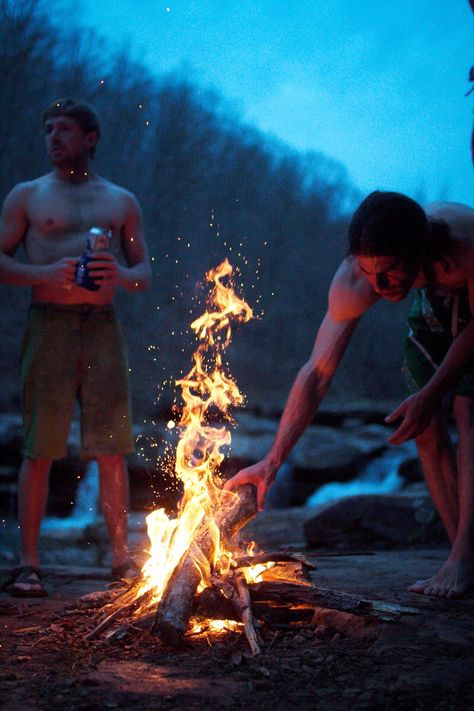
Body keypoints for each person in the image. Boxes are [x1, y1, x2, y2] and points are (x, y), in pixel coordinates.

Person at [225, 192, 474, 599]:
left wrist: (432, 391)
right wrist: (273, 460)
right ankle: (460, 555)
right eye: (369, 272)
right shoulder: (357, 280)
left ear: (417, 253)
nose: (379, 286)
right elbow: (317, 373)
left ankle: (464, 556)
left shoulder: (464, 244)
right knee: (422, 426)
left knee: (467, 409)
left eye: (390, 273)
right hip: (431, 301)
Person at [0, 98, 151, 596]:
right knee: (39, 446)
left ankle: (121, 559)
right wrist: (43, 273)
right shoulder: (27, 196)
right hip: (50, 324)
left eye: (63, 129)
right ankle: (28, 565)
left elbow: (143, 273)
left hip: (103, 326)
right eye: (47, 129)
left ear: (89, 137)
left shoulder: (120, 201)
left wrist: (122, 276)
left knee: (111, 447)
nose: (52, 138)